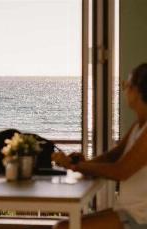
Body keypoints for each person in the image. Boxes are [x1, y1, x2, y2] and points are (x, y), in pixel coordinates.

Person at [52, 63, 147, 229]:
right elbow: (113, 156)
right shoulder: (139, 126)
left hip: (139, 219)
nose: (123, 89)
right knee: (63, 225)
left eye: (126, 84)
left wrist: (76, 166)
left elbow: (121, 171)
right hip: (128, 211)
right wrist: (85, 164)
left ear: (138, 90)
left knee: (63, 227)